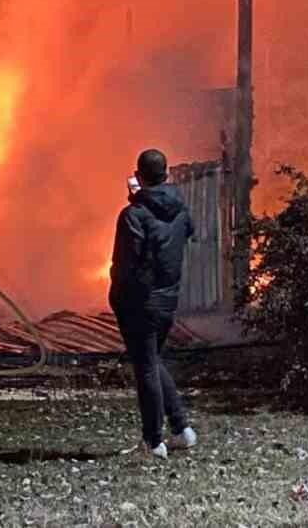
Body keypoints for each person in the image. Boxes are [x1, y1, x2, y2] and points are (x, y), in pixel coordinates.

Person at [109, 148, 198, 458]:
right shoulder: (181, 211)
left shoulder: (133, 215)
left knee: (145, 367)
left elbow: (125, 264)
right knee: (153, 361)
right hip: (168, 298)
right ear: (167, 173)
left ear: (138, 175)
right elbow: (187, 232)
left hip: (140, 301)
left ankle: (152, 441)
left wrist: (117, 295)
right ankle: (182, 430)